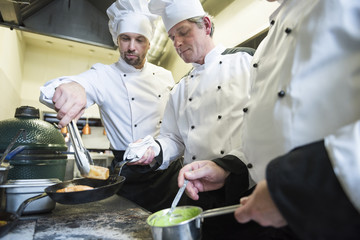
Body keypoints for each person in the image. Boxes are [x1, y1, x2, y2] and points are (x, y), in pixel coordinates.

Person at [178, 0, 360, 239]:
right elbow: (267, 135)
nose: (178, 43)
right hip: (271, 208)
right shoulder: (265, 47)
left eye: (182, 32)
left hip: (333, 210)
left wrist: (293, 187)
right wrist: (228, 168)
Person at [39, 0, 183, 213]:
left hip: (167, 170)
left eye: (139, 40)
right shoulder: (103, 75)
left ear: (149, 43)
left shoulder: (165, 76)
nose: (131, 47)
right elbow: (49, 91)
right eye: (125, 38)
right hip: (129, 174)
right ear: (117, 39)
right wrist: (75, 87)